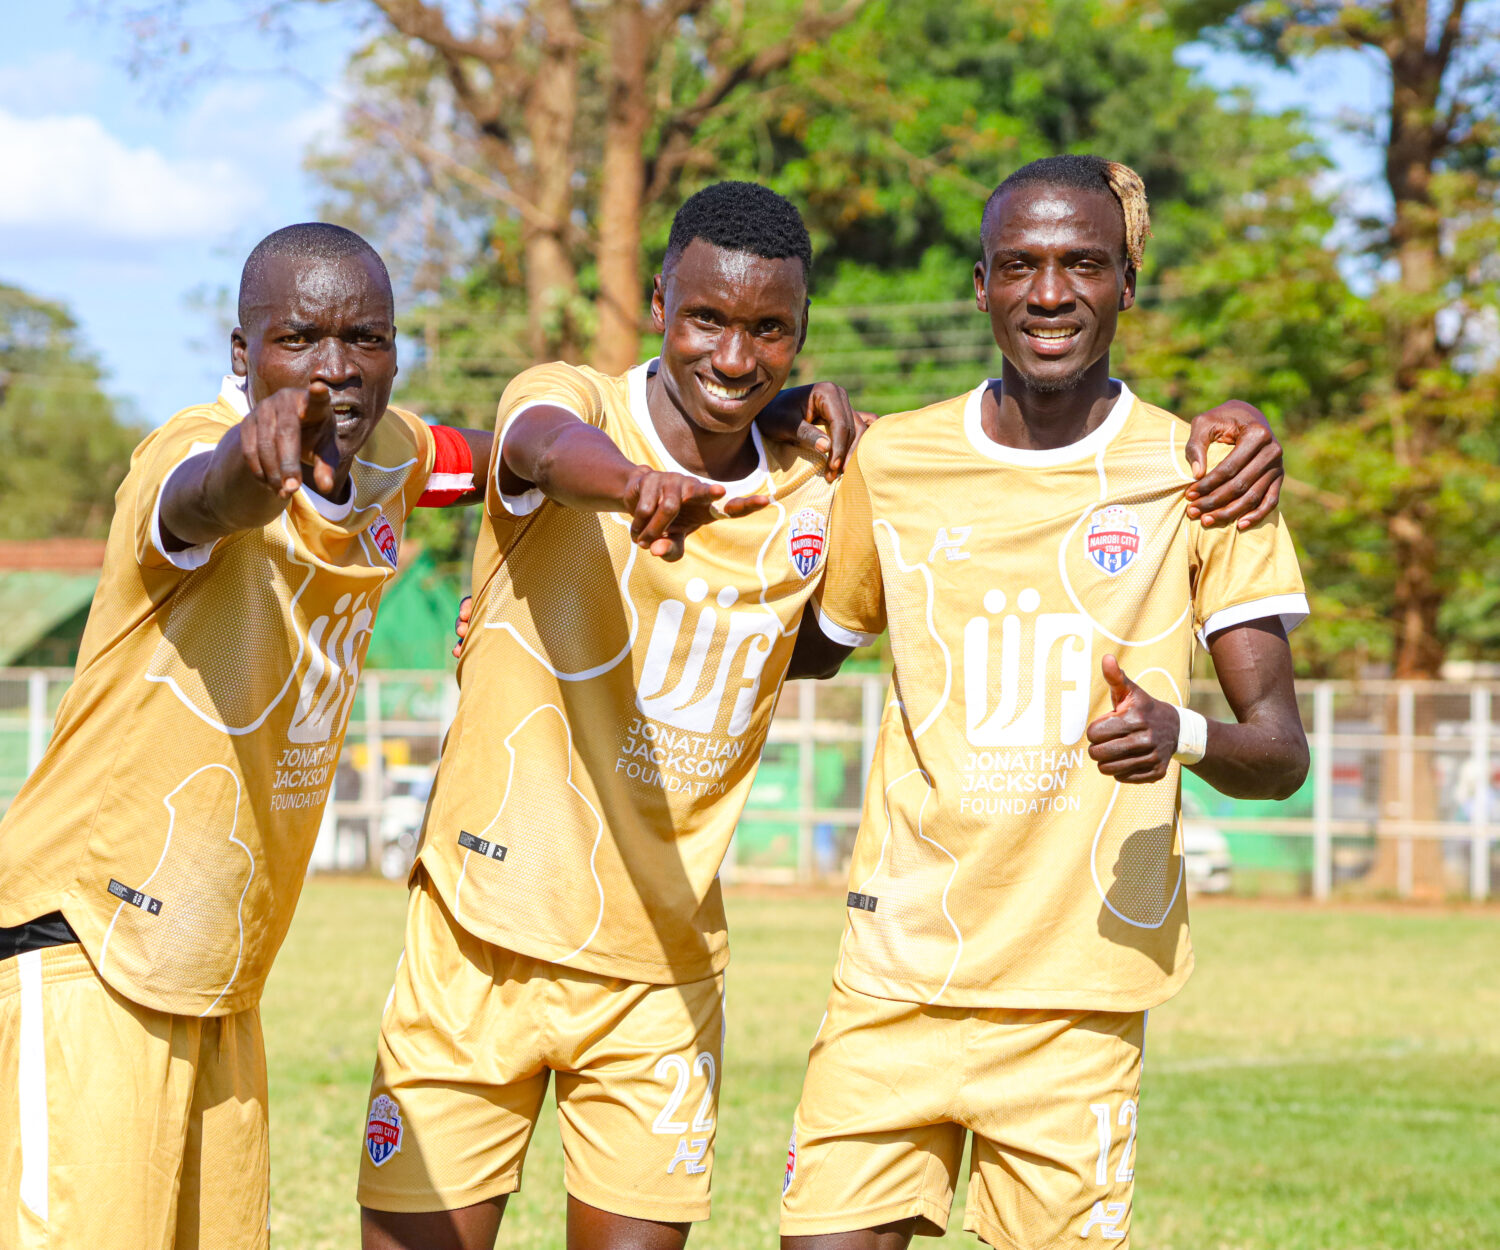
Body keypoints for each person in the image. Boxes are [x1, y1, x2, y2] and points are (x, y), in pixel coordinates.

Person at [359, 179, 1289, 1250]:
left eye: (770, 331)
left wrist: (1233, 431)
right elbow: (533, 443)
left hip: (673, 966)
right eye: (706, 318)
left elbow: (957, 485)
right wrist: (631, 486)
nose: (733, 354)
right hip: (485, 930)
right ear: (659, 300)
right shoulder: (596, 407)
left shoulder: (841, 475)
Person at [777, 156, 1310, 1250]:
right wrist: (770, 424)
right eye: (1020, 265)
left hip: (1077, 996)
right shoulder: (900, 457)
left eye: (1083, 264)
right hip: (896, 976)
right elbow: (807, 650)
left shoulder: (1205, 471)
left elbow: (1279, 752)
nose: (1051, 292)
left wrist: (1180, 732)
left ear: (1128, 283)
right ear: (980, 283)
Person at [0, 223, 493, 1250]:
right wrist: (250, 455)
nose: (334, 370)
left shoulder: (387, 450)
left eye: (366, 338)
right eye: (299, 339)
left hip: (220, 968)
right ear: (242, 354)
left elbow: (492, 457)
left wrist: (729, 432)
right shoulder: (186, 457)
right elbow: (197, 497)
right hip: (85, 946)